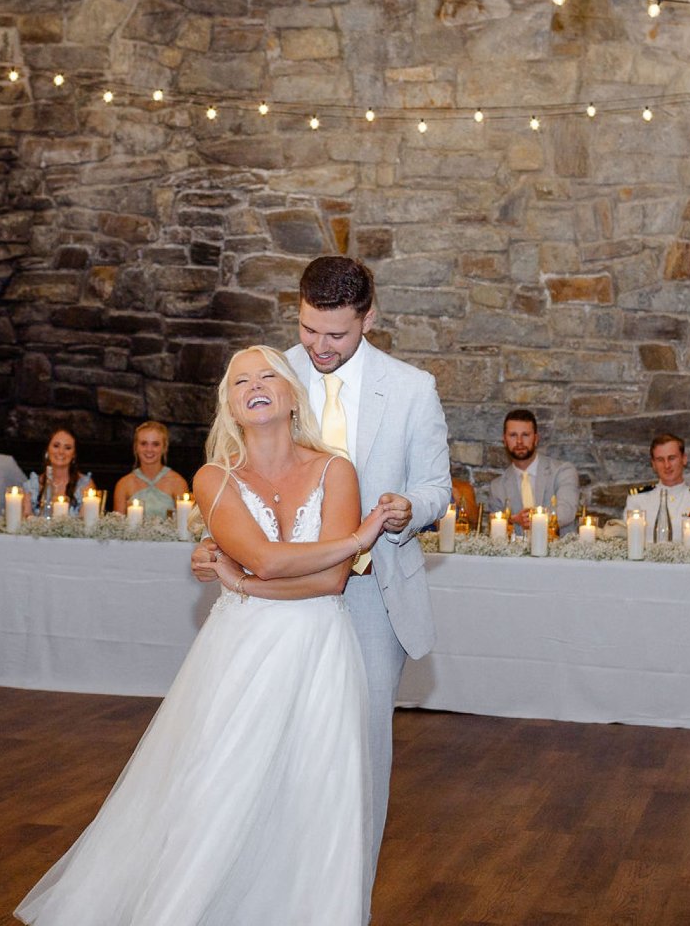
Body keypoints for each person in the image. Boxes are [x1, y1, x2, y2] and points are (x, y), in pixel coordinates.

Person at [17, 346, 391, 924]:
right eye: (241, 380)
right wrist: (356, 537)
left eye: (269, 375)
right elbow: (268, 559)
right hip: (241, 651)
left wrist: (241, 582)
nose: (256, 385)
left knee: (315, 790)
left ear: (292, 395)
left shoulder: (335, 469)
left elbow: (332, 582)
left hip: (320, 648)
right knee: (222, 784)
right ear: (231, 404)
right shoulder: (214, 477)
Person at [192, 256, 450, 912]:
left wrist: (406, 510)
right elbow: (231, 472)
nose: (320, 347)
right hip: (275, 600)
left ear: (369, 317)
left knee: (356, 757)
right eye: (309, 330)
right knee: (264, 749)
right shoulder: (270, 373)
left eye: (336, 334)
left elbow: (436, 488)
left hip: (369, 593)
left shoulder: (412, 387)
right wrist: (218, 540)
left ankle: (341, 904)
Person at [483, 409, 579, 535]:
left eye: (525, 435)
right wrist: (513, 520)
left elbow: (567, 511)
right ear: (504, 440)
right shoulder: (497, 487)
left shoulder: (563, 471)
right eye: (513, 435)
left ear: (536, 438)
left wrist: (533, 519)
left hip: (559, 551)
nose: (519, 441)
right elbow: (494, 530)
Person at [624, 433, 690, 542]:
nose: (667, 465)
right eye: (660, 460)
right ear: (653, 464)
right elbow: (629, 543)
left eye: (672, 458)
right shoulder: (637, 500)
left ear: (684, 459)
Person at [112, 420, 189, 516]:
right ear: (136, 447)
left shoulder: (178, 482)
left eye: (155, 444)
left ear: (164, 447)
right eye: (143, 443)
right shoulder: (123, 484)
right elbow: (116, 527)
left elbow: (186, 524)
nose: (149, 449)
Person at [24, 427, 95, 515]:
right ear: (47, 450)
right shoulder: (32, 485)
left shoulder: (85, 485)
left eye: (67, 448)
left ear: (74, 455)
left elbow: (87, 523)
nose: (61, 452)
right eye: (56, 446)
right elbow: (25, 519)